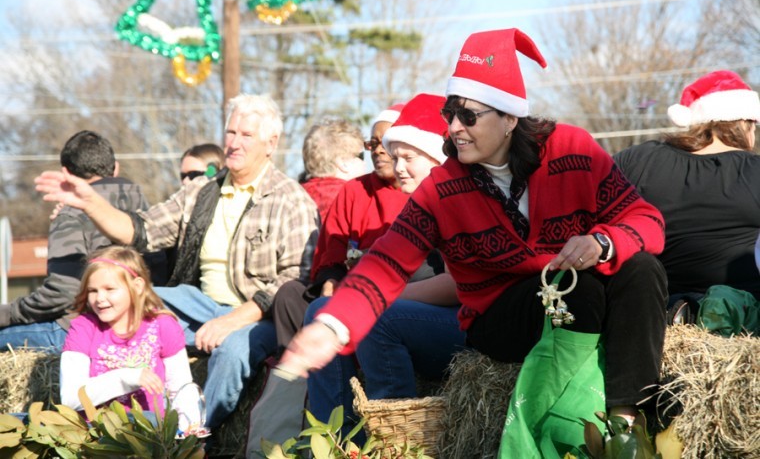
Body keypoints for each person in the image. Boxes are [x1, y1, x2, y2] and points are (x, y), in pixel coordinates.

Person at [281, 28, 668, 428]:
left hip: (575, 287)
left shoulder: (573, 149)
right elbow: (386, 263)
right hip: (500, 313)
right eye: (450, 114)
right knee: (576, 289)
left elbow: (647, 221)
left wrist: (604, 242)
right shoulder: (442, 188)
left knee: (641, 269)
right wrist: (333, 324)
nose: (455, 127)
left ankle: (627, 422)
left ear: (509, 118)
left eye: (469, 116)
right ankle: (563, 424)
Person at [35, 94, 319, 429]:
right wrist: (90, 203)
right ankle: (88, 401)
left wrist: (231, 323)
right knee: (123, 301)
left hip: (257, 316)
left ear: (271, 143)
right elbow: (141, 230)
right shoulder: (201, 190)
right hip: (198, 305)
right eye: (230, 133)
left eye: (246, 135)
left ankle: (196, 434)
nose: (234, 143)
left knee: (231, 352)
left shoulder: (291, 199)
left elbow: (294, 278)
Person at [304, 93, 466, 435]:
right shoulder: (418, 204)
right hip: (423, 313)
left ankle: (393, 440)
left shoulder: (456, 198)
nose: (398, 166)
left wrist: (391, 296)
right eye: (395, 156)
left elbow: (457, 285)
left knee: (378, 318)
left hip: (471, 324)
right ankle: (336, 439)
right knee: (322, 310)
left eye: (408, 157)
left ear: (437, 157)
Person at [0, 130, 165, 352]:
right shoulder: (155, 211)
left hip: (88, 330)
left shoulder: (71, 213)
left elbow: (63, 294)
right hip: (147, 327)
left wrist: (9, 313)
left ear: (66, 173)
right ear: (115, 167)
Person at [615, 70, 760, 321]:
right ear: (744, 123)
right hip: (742, 306)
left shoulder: (640, 159)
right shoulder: (753, 170)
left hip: (653, 300)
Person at [270, 103, 407, 350]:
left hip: (401, 296)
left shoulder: (425, 190)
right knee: (291, 295)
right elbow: (332, 254)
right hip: (347, 292)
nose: (377, 151)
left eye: (385, 143)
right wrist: (330, 282)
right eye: (372, 145)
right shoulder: (354, 190)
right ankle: (296, 377)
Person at [60, 246, 201, 432]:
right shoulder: (84, 327)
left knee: (148, 420)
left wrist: (189, 430)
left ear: (137, 286)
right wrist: (128, 377)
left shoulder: (162, 325)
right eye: (93, 291)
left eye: (110, 289)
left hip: (149, 430)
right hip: (98, 431)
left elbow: (181, 388)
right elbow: (70, 398)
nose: (99, 298)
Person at [300, 117, 367, 220]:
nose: (364, 162)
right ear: (343, 162)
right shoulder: (354, 200)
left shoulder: (295, 196)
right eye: (361, 156)